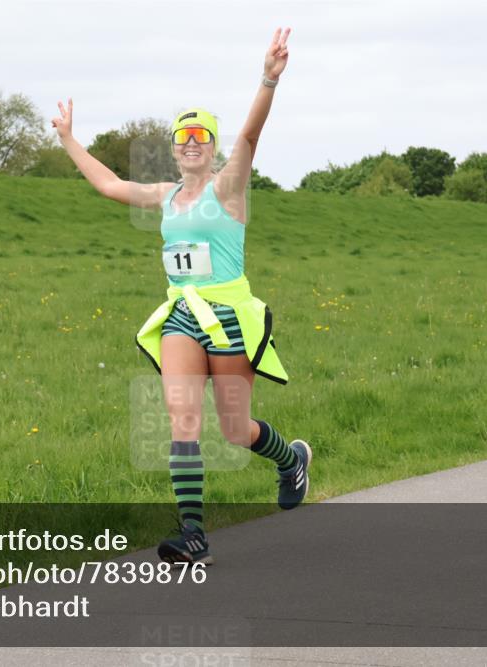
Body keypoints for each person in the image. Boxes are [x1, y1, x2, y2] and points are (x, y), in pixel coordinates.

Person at [52, 27, 311, 566]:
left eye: (201, 137)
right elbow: (108, 186)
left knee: (237, 429)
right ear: (173, 148)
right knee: (182, 418)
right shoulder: (164, 196)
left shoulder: (228, 189)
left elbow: (251, 137)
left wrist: (268, 78)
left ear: (212, 148)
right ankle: (193, 534)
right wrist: (69, 140)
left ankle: (291, 460)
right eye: (182, 137)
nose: (191, 143)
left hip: (230, 316)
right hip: (181, 317)